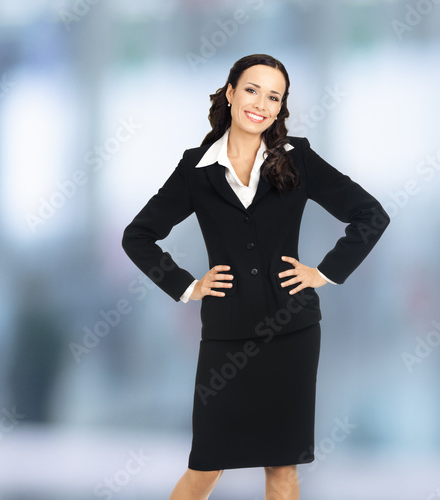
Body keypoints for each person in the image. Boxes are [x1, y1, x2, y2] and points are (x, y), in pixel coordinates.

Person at [121, 54, 390, 500]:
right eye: (251, 90)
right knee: (206, 468)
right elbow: (138, 235)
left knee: (283, 470)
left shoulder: (296, 158)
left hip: (292, 332)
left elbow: (370, 215)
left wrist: (324, 273)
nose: (260, 103)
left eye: (274, 97)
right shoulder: (196, 169)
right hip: (226, 335)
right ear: (230, 92)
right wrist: (189, 285)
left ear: (280, 108)